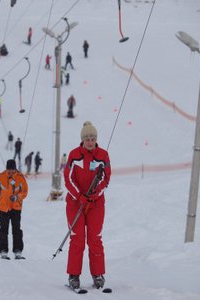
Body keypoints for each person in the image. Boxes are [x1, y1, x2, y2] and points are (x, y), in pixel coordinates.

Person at [63, 121, 111, 290]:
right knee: (77, 239)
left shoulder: (103, 155)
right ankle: (73, 275)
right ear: (82, 140)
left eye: (93, 138)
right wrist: (79, 196)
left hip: (96, 204)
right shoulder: (74, 155)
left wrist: (94, 194)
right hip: (76, 203)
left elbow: (106, 179)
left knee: (95, 238)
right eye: (87, 138)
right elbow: (68, 179)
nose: (90, 141)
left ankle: (98, 274)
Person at [0, 159, 29, 259]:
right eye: (9, 170)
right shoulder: (0, 177)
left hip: (16, 207)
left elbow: (24, 192)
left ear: (15, 169)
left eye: (12, 170)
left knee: (16, 229)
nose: (11, 172)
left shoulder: (20, 177)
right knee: (3, 230)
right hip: (3, 208)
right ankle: (3, 251)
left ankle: (18, 251)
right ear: (6, 169)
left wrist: (17, 197)